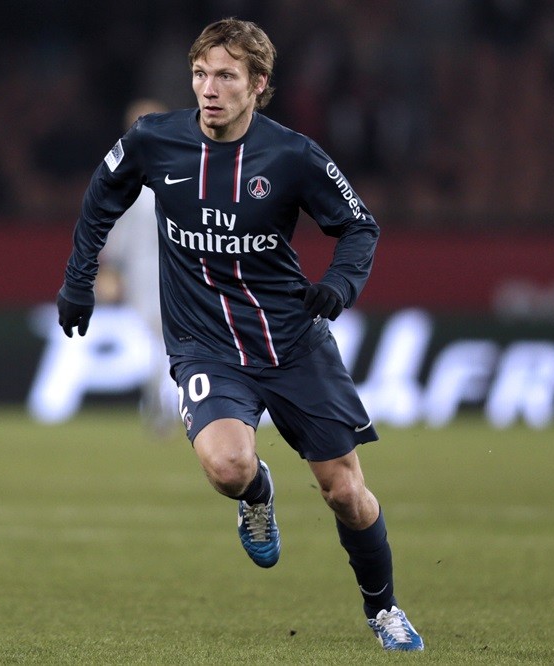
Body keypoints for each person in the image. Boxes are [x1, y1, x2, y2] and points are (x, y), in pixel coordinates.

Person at [56, 18, 424, 651]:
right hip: (204, 344)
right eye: (200, 74)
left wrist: (339, 285)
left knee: (345, 491)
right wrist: (79, 280)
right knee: (227, 466)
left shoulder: (293, 155)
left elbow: (360, 226)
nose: (209, 88)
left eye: (226, 76)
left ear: (259, 84)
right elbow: (100, 199)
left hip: (292, 343)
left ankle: (383, 608)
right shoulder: (153, 140)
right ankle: (257, 493)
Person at [97, 98, 178, 434]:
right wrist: (110, 269)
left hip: (180, 271)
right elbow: (114, 229)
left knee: (168, 341)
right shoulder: (124, 175)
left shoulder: (184, 169)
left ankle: (169, 406)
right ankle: (161, 406)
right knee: (157, 340)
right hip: (144, 273)